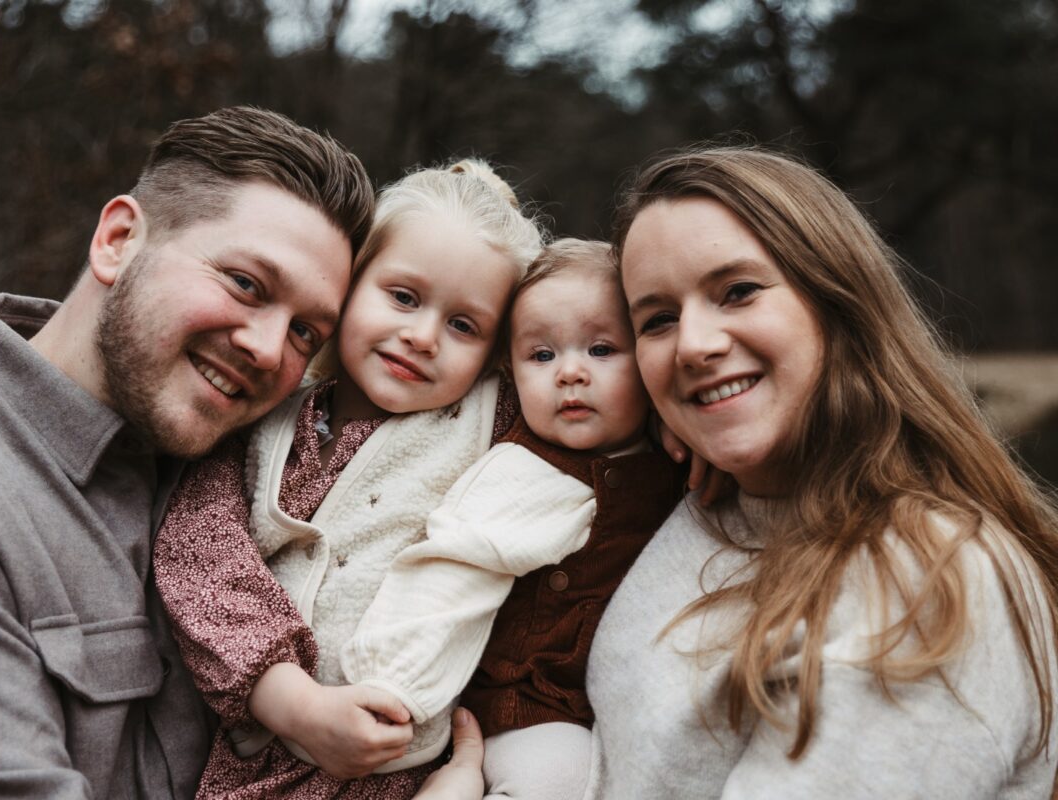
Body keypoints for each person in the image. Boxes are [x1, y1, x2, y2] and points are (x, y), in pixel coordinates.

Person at [0, 105, 373, 798]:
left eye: (307, 334)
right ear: (120, 239)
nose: (269, 348)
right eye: (246, 284)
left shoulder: (264, 481)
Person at [582, 146, 1058, 797]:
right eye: (658, 320)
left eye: (738, 292)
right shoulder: (696, 501)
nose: (693, 344)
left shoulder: (931, 577)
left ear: (837, 300)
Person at [152, 159, 545, 799]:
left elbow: (586, 374)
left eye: (463, 325)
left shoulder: (491, 417)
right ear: (350, 285)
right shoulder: (269, 413)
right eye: (403, 297)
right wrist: (289, 700)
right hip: (266, 746)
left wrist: (662, 427)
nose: (421, 337)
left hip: (403, 766)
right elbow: (199, 553)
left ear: (497, 349)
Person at [340, 238, 683, 800]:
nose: (569, 372)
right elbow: (450, 569)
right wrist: (391, 684)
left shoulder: (665, 452)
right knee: (558, 777)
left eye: (601, 349)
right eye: (541, 356)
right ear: (510, 368)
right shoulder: (525, 470)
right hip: (521, 708)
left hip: (609, 708)